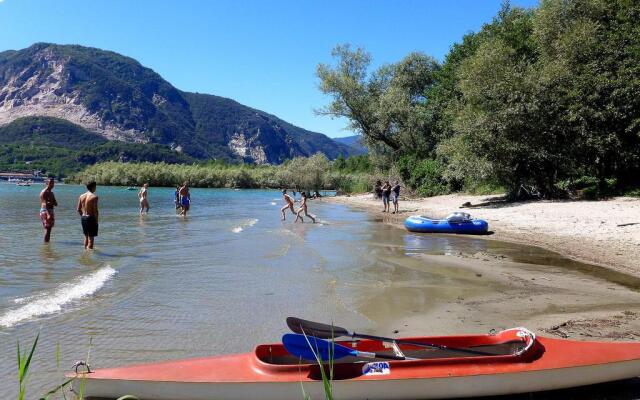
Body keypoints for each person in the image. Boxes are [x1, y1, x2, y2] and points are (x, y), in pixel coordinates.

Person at [77, 181, 99, 250]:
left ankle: (85, 252)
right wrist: (96, 220)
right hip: (91, 218)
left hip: (83, 218)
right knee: (91, 239)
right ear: (93, 187)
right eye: (95, 186)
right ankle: (89, 256)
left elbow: (78, 209)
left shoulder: (81, 196)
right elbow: (95, 210)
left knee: (86, 237)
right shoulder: (94, 197)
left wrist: (83, 217)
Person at [39, 177, 58, 242]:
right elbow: (44, 203)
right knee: (48, 229)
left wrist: (51, 202)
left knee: (48, 229)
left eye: (53, 183)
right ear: (46, 183)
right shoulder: (44, 192)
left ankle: (46, 245)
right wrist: (48, 214)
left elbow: (56, 204)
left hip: (49, 210)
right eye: (50, 183)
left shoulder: (51, 193)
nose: (52, 184)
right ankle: (46, 247)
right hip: (46, 211)